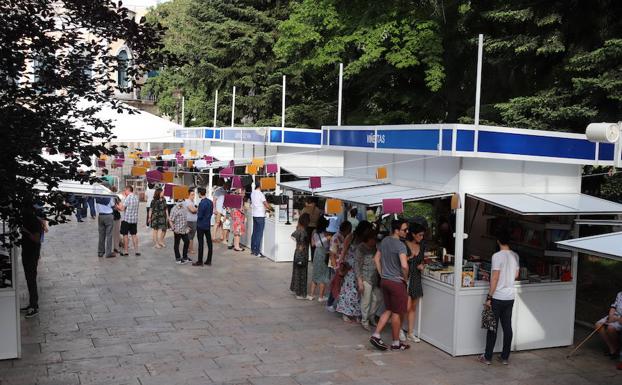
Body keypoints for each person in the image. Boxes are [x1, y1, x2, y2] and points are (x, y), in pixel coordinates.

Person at [479, 229, 519, 365]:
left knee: (492, 326)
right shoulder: (515, 256)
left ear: (498, 241)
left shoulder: (497, 256)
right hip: (510, 296)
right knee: (507, 327)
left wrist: (489, 297)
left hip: (497, 297)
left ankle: (488, 357)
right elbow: (516, 275)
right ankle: (505, 357)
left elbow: (495, 278)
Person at [369, 219, 410, 351]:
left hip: (385, 281)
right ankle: (396, 342)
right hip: (396, 282)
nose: (407, 232)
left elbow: (376, 258)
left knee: (389, 309)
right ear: (397, 231)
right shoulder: (400, 245)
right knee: (397, 313)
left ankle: (376, 335)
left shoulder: (385, 241)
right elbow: (404, 265)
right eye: (404, 230)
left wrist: (382, 274)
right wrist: (405, 278)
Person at [336, 221, 371, 323]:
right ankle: (346, 312)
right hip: (350, 267)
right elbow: (344, 251)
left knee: (358, 291)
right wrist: (340, 264)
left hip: (360, 267)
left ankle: (356, 313)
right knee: (349, 289)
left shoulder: (364, 239)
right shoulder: (351, 236)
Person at [403, 221, 425, 342]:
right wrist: (408, 258)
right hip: (406, 277)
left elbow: (422, 261)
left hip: (416, 277)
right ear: (413, 234)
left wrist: (421, 265)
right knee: (405, 306)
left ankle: (410, 333)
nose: (421, 237)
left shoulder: (422, 246)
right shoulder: (404, 244)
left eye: (422, 235)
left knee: (413, 307)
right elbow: (400, 261)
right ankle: (400, 329)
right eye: (420, 235)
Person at [20, 203, 43, 318]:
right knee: (29, 279)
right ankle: (32, 304)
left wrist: (25, 231)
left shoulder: (35, 222)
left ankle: (34, 305)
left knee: (31, 279)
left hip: (32, 254)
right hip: (27, 252)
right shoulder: (29, 220)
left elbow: (36, 239)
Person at [356, 229, 381, 331]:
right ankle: (365, 320)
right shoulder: (361, 248)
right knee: (366, 301)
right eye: (373, 239)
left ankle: (371, 316)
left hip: (374, 277)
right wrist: (360, 281)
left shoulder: (375, 248)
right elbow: (357, 265)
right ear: (368, 239)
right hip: (365, 277)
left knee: (378, 298)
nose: (375, 241)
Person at [326, 220, 352, 312]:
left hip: (343, 264)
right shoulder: (336, 238)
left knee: (340, 285)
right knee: (335, 284)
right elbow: (332, 254)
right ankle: (329, 303)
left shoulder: (346, 237)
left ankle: (338, 303)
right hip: (336, 265)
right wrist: (335, 267)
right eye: (349, 229)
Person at [309, 216, 331, 301]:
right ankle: (321, 297)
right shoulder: (327, 233)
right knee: (323, 274)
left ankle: (311, 295)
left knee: (315, 273)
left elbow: (313, 244)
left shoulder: (314, 231)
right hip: (324, 253)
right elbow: (328, 246)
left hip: (316, 253)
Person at [596, 291, 622, 360]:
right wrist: (611, 316)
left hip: (620, 319)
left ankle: (617, 347)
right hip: (614, 316)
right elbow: (613, 306)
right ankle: (612, 348)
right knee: (598, 325)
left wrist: (615, 319)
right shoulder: (620, 294)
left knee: (610, 329)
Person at [290, 213, 310, 299]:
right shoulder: (304, 231)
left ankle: (296, 289)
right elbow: (302, 244)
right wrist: (301, 247)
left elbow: (292, 236)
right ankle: (300, 293)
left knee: (296, 272)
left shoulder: (298, 229)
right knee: (302, 273)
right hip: (302, 254)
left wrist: (298, 246)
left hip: (297, 253)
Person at [250, 183, 272, 257]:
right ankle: (257, 251)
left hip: (255, 214)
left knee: (254, 233)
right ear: (260, 186)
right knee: (259, 234)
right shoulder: (260, 194)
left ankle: (253, 249)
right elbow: (266, 204)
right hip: (260, 215)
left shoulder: (252, 193)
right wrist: (272, 209)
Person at [195, 187, 214, 266]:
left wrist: (197, 211)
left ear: (199, 193)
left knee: (201, 243)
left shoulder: (202, 203)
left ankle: (200, 261)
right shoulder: (210, 202)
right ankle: (209, 260)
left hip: (201, 225)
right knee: (209, 242)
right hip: (207, 224)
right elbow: (211, 212)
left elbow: (200, 215)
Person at [119, 185, 140, 256]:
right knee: (134, 234)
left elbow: (122, 208)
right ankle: (136, 250)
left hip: (126, 219)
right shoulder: (136, 197)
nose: (124, 192)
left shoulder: (128, 198)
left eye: (125, 190)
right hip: (134, 219)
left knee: (125, 235)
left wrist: (117, 205)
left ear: (128, 190)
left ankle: (126, 251)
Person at [169, 199, 191, 264]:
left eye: (182, 201)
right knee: (177, 244)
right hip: (177, 230)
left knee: (187, 242)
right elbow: (170, 220)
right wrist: (173, 229)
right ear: (176, 201)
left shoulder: (184, 208)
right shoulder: (174, 209)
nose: (181, 202)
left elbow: (185, 219)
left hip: (184, 229)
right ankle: (178, 258)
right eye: (179, 201)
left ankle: (185, 257)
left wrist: (187, 227)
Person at [96, 194, 117, 258]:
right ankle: (108, 253)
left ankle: (100, 252)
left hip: (100, 216)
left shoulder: (97, 197)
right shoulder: (109, 197)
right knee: (109, 235)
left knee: (101, 235)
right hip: (108, 216)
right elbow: (113, 205)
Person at [183, 188, 198, 255]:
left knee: (191, 236)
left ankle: (189, 248)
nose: (193, 196)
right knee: (190, 236)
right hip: (189, 221)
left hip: (193, 220)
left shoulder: (192, 202)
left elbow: (194, 210)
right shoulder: (187, 201)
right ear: (188, 195)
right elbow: (193, 210)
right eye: (192, 195)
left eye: (194, 195)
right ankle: (190, 249)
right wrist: (198, 208)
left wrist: (196, 209)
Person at [110, 186, 122, 253]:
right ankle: (116, 247)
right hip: (116, 216)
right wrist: (118, 208)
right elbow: (120, 207)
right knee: (116, 233)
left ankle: (111, 247)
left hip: (109, 215)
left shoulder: (107, 196)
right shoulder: (116, 197)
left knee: (110, 233)